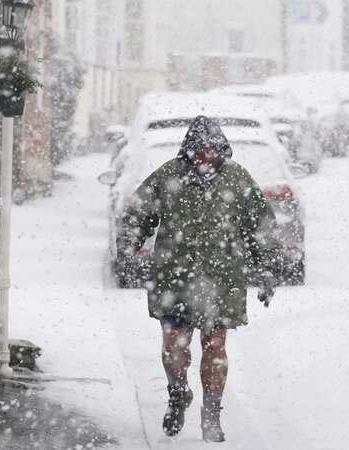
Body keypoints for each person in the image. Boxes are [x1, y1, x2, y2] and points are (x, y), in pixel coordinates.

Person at [117, 116, 280, 442]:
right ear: (188, 150)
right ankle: (178, 394)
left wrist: (267, 267)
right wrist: (128, 245)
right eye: (199, 149)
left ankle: (211, 413)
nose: (206, 155)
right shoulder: (169, 175)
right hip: (174, 277)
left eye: (212, 149)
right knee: (174, 345)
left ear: (222, 150)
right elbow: (137, 212)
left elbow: (261, 224)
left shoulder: (237, 179)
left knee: (215, 345)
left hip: (223, 280)